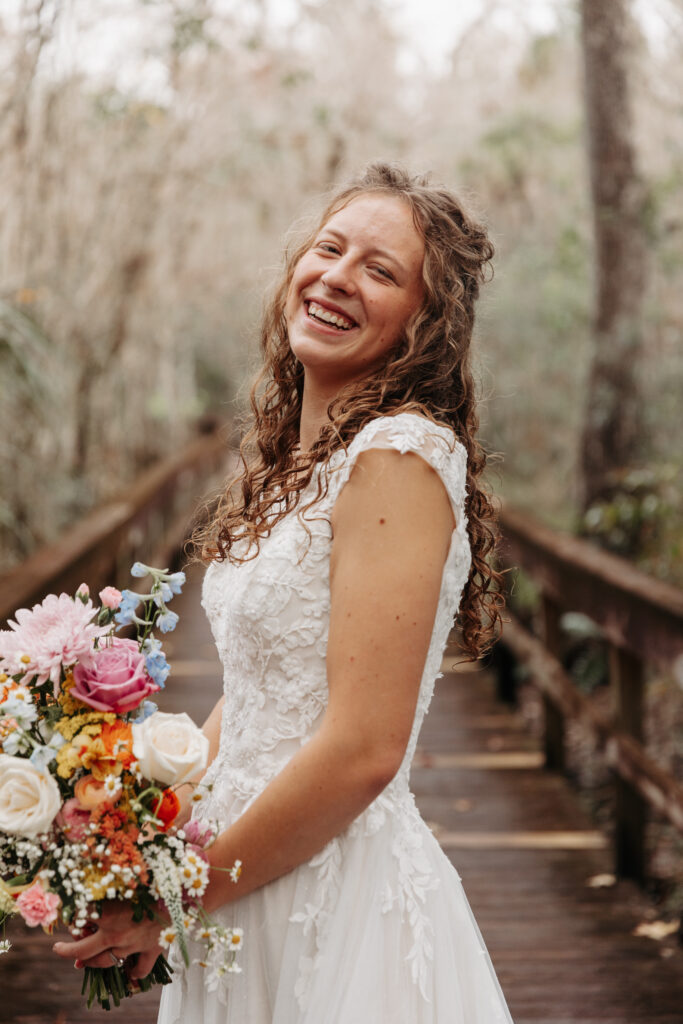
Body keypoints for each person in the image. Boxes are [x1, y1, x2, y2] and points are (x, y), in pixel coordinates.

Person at [54, 162, 514, 1023]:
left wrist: (179, 896)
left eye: (380, 271)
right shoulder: (295, 466)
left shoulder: (397, 457)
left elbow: (365, 748)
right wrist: (143, 835)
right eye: (328, 249)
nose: (338, 276)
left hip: (329, 896)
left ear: (427, 322)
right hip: (240, 873)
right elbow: (264, 688)